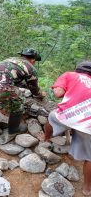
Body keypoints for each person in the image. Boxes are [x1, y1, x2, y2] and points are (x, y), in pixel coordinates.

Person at [41, 61, 91, 196]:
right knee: (90, 158)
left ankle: (46, 138)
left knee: (51, 117)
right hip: (88, 123)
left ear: (77, 70)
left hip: (68, 115)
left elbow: (58, 93)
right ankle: (87, 189)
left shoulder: (70, 75)